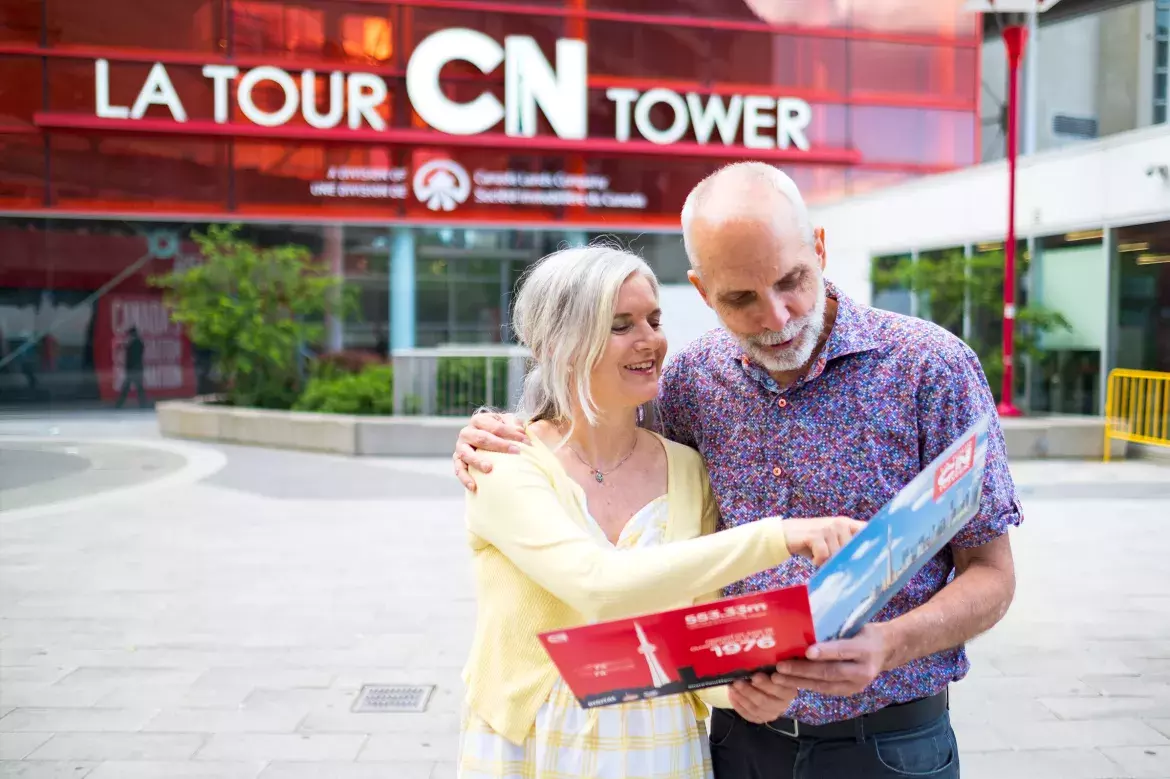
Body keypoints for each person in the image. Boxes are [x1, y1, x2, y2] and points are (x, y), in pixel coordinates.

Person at [453, 162, 1024, 779]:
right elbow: (594, 447)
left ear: (821, 249)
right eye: (741, 298)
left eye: (792, 281)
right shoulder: (691, 385)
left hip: (889, 745)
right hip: (735, 744)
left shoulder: (929, 367)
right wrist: (487, 430)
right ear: (701, 290)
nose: (776, 316)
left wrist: (891, 645)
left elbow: (991, 574)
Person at [457, 243, 865, 779]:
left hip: (659, 740)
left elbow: (687, 631)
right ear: (559, 345)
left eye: (653, 318)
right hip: (536, 741)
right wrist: (780, 536)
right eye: (621, 324)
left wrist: (739, 689)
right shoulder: (505, 465)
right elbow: (597, 586)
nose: (651, 340)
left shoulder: (687, 469)